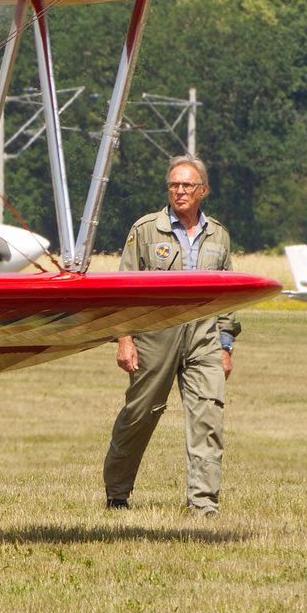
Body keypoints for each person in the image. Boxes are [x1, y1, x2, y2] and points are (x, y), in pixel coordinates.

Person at [101, 154, 240, 515]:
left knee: (208, 418)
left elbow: (226, 295)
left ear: (203, 190)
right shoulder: (145, 229)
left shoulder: (219, 235)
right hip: (154, 334)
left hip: (204, 337)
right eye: (174, 185)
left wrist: (226, 345)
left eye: (187, 185)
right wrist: (124, 339)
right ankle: (117, 493)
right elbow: (122, 289)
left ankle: (203, 505)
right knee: (141, 413)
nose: (179, 191)